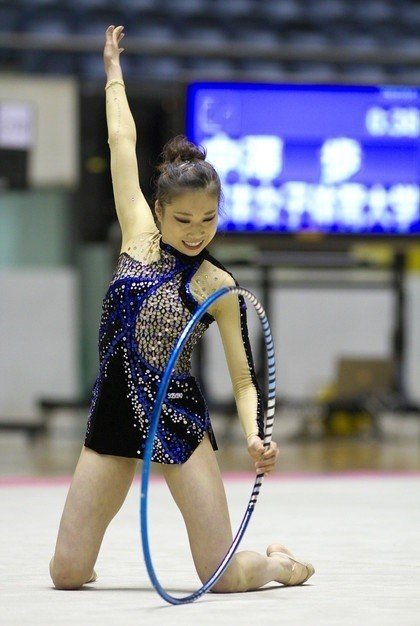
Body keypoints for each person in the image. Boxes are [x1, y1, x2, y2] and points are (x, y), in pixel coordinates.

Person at [49, 25, 315, 593]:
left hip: (175, 421)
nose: (196, 234)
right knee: (67, 575)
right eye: (183, 220)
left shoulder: (219, 283)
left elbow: (245, 380)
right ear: (159, 210)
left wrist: (254, 436)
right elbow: (122, 142)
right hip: (115, 415)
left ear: (218, 214)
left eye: (208, 221)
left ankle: (277, 563)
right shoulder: (137, 234)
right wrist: (113, 73)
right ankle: (82, 552)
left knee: (220, 577)